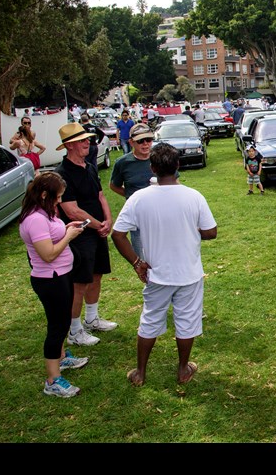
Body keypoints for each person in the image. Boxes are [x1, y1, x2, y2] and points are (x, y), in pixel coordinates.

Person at [111, 143, 217, 387]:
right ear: (178, 166)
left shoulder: (139, 198)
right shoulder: (193, 196)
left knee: (150, 319)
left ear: (152, 168)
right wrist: (190, 230)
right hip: (188, 273)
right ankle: (182, 369)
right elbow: (211, 232)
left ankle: (140, 372)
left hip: (155, 273)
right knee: (187, 321)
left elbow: (118, 234)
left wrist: (137, 262)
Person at [19, 172, 90, 398]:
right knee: (57, 327)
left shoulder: (45, 213)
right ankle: (52, 379)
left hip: (60, 275)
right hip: (50, 279)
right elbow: (48, 254)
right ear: (43, 195)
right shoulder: (35, 219)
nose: (60, 201)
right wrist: (68, 236)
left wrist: (68, 227)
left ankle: (61, 358)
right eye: (57, 197)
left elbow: (52, 237)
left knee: (61, 321)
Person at [54, 123, 116, 347]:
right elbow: (72, 210)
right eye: (82, 140)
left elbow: (101, 196)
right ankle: (74, 330)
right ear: (69, 145)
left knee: (97, 274)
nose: (87, 142)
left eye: (87, 139)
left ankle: (92, 318)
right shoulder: (62, 174)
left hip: (97, 230)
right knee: (79, 282)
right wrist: (100, 224)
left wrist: (108, 220)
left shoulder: (89, 166)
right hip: (80, 235)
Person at [110, 123, 157, 260]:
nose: (145, 144)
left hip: (159, 212)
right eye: (140, 141)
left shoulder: (159, 158)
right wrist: (131, 196)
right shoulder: (123, 162)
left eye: (148, 140)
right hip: (137, 216)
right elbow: (114, 185)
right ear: (131, 142)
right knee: (142, 257)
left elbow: (174, 182)